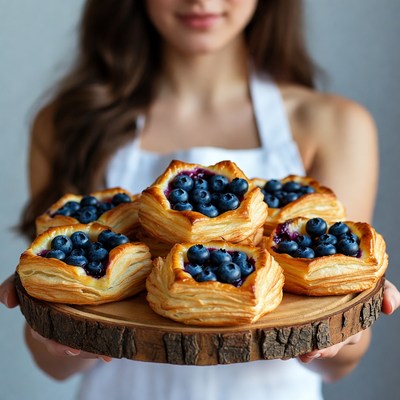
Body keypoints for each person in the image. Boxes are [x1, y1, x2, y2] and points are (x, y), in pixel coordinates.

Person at [1, 0, 400, 399]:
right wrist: (58, 327)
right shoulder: (69, 124)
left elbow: (347, 352)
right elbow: (51, 363)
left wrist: (339, 334)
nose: (201, 1)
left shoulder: (337, 124)